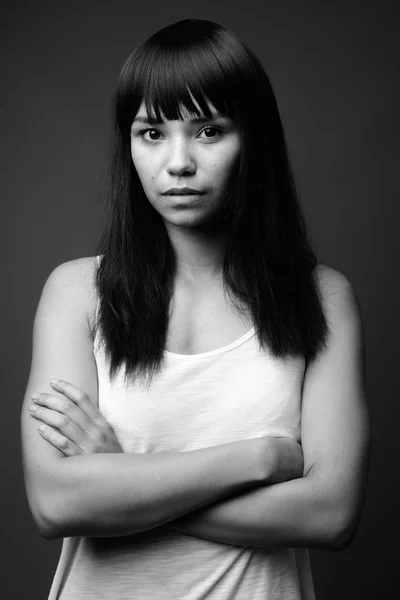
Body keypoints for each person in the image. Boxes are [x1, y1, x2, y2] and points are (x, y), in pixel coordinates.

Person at [20, 18, 370, 600]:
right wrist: (256, 458)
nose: (178, 162)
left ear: (251, 139)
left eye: (209, 131)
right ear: (128, 145)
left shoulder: (323, 298)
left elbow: (331, 515)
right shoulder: (79, 292)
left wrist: (121, 480)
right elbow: (56, 503)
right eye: (152, 133)